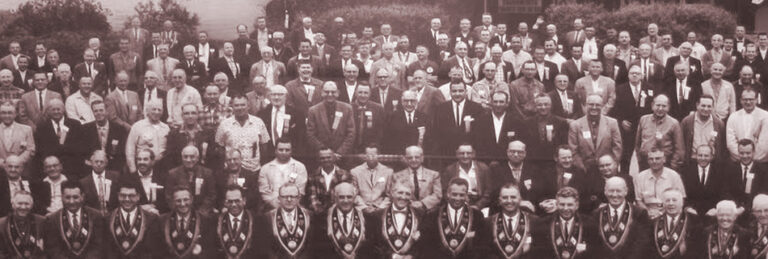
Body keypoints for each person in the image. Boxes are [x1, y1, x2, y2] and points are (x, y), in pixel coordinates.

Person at [419, 177, 484, 258]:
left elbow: (481, 247)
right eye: (454, 194)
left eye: (461, 195)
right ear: (448, 194)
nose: (457, 198)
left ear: (467, 195)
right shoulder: (433, 215)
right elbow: (426, 246)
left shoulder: (477, 215)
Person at [44, 180, 106, 258]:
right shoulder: (52, 219)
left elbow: (98, 246)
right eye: (67, 197)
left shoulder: (96, 216)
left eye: (75, 197)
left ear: (82, 196)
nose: (71, 201)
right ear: (62, 197)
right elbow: (54, 249)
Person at [591, 176, 650, 259]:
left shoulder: (639, 213)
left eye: (618, 191)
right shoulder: (596, 214)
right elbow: (594, 244)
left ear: (626, 191)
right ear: (605, 192)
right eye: (611, 191)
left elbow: (642, 244)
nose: (615, 195)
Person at [533, 187, 598, 258]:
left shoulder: (589, 224)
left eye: (570, 205)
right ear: (557, 205)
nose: (565, 208)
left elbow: (594, 254)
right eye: (562, 204)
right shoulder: (543, 224)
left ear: (577, 205)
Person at [104, 179, 161, 258]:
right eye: (123, 195)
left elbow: (151, 251)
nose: (127, 199)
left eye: (131, 196)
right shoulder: (108, 219)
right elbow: (108, 251)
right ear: (118, 196)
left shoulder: (150, 219)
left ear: (138, 196)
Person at [158, 186, 218, 258]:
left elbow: (210, 250)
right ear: (173, 201)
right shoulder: (162, 221)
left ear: (191, 199)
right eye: (178, 201)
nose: (182, 204)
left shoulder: (204, 221)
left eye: (186, 200)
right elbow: (158, 250)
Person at [369, 179, 424, 258]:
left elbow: (424, 244)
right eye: (400, 193)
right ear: (392, 193)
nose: (403, 197)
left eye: (407, 194)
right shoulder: (377, 215)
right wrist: (393, 256)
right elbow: (375, 244)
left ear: (411, 196)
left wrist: (411, 256)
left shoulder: (420, 214)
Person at [479, 183, 535, 258]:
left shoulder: (533, 221)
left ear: (520, 199)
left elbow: (539, 252)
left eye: (513, 197)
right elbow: (483, 252)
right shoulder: (488, 223)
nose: (509, 201)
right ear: (500, 200)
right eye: (505, 197)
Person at [568, 94, 622, 171]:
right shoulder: (575, 125)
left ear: (602, 106)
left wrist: (611, 165)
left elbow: (617, 147)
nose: (594, 107)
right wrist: (582, 167)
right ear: (586, 105)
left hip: (606, 168)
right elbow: (573, 150)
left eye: (597, 105)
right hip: (584, 169)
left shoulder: (612, 123)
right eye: (591, 104)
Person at [432, 81, 484, 158]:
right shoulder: (441, 109)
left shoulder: (476, 108)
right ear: (450, 92)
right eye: (454, 91)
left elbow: (480, 134)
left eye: (460, 91)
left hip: (469, 153)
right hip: (447, 154)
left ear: (466, 92)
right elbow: (437, 133)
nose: (457, 94)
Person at [321, 182, 373, 258]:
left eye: (349, 197)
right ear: (335, 198)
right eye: (341, 197)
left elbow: (370, 250)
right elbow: (320, 250)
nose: (346, 201)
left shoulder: (366, 219)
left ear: (354, 198)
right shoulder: (323, 219)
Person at [488, 141, 542, 214]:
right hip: (502, 211)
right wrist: (519, 203)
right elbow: (494, 196)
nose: (516, 155)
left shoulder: (534, 170)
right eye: (512, 151)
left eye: (520, 152)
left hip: (529, 212)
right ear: (507, 152)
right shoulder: (496, 170)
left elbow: (537, 193)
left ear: (525, 154)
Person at [262, 183, 313, 258]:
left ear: (299, 198)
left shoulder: (310, 216)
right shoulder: (268, 217)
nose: (289, 199)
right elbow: (267, 248)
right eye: (285, 197)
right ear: (279, 198)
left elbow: (311, 247)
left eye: (292, 196)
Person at [634, 94, 685, 170]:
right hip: (645, 163)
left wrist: (672, 166)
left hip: (665, 164)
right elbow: (637, 143)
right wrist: (639, 159)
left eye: (664, 106)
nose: (660, 108)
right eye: (658, 105)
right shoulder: (643, 119)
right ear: (652, 105)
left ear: (668, 107)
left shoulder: (674, 123)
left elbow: (679, 149)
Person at [648, 188, 702, 258]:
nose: (671, 203)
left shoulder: (694, 221)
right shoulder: (654, 223)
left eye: (674, 200)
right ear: (663, 204)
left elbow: (698, 249)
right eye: (667, 200)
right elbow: (650, 250)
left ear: (682, 202)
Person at [306, 81, 356, 156]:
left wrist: (340, 152)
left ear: (338, 93)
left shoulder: (347, 109)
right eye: (327, 92)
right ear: (321, 92)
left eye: (333, 92)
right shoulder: (313, 110)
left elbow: (351, 133)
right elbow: (310, 134)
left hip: (342, 155)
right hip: (322, 155)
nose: (330, 94)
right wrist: (325, 152)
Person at [34, 99, 82, 176]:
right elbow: (41, 149)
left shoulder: (74, 125)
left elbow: (78, 146)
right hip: (51, 168)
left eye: (58, 109)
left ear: (63, 110)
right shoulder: (42, 127)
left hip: (72, 167)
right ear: (49, 111)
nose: (56, 112)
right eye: (53, 109)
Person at [165, 146, 216, 216]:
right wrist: (180, 211)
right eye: (185, 157)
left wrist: (201, 212)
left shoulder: (207, 173)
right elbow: (169, 196)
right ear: (182, 158)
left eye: (192, 157)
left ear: (197, 158)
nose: (188, 160)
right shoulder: (173, 174)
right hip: (180, 211)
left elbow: (211, 195)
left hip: (202, 213)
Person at [80, 100, 128, 174]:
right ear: (92, 112)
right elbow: (83, 152)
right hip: (92, 168)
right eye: (95, 111)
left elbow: (122, 152)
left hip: (113, 168)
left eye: (101, 110)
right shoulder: (85, 129)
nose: (98, 113)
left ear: (106, 111)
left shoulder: (119, 129)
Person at [259, 138, 308, 210]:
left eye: (287, 150)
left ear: (291, 151)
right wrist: (278, 208)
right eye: (281, 150)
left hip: (294, 207)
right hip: (271, 209)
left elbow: (300, 191)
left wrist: (289, 205)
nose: (284, 152)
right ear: (275, 151)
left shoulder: (299, 167)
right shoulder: (265, 168)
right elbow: (265, 193)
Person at [388, 146, 442, 210]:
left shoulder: (434, 175)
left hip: (429, 212)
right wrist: (410, 203)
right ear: (406, 159)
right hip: (406, 210)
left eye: (417, 157)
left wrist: (422, 203)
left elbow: (438, 195)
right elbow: (393, 195)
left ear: (422, 158)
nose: (413, 160)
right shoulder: (397, 176)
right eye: (410, 158)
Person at [680, 145, 729, 216]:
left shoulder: (720, 172)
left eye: (706, 156)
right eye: (700, 155)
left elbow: (724, 194)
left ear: (712, 157)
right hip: (691, 213)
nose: (703, 158)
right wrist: (687, 208)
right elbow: (682, 194)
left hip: (713, 214)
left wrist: (717, 208)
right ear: (695, 156)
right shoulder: (686, 172)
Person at [305, 147, 356, 214]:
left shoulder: (345, 175)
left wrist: (335, 212)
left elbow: (351, 194)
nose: (326, 160)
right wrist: (320, 211)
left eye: (328, 157)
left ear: (334, 158)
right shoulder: (312, 176)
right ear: (318, 160)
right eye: (322, 158)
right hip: (319, 215)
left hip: (341, 212)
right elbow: (312, 197)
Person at [633, 148, 686, 213]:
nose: (654, 161)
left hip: (668, 212)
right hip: (647, 213)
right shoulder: (640, 177)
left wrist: (662, 213)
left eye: (657, 158)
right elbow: (638, 201)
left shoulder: (674, 176)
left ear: (664, 160)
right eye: (651, 159)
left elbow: (681, 198)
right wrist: (649, 212)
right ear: (648, 161)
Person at [523, 94, 570, 166]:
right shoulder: (527, 123)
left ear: (551, 105)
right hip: (533, 162)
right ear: (535, 106)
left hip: (553, 162)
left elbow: (563, 144)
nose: (543, 107)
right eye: (540, 105)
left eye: (546, 104)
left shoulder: (561, 122)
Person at [125, 100, 169, 173]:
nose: (156, 112)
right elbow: (130, 149)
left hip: (161, 168)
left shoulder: (166, 128)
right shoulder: (138, 126)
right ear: (147, 111)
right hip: (142, 167)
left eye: (159, 110)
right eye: (154, 109)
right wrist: (132, 169)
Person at [680, 95, 726, 164]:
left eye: (709, 106)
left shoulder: (719, 124)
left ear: (713, 107)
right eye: (703, 106)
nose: (706, 109)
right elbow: (681, 144)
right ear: (697, 105)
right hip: (692, 161)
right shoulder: (687, 122)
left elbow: (722, 146)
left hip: (712, 162)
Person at [442, 144, 491, 209]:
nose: (465, 156)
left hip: (479, 203)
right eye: (462, 153)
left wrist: (478, 206)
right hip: (458, 203)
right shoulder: (450, 170)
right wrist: (457, 204)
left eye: (468, 153)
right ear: (457, 155)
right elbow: (446, 191)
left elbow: (489, 191)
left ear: (473, 154)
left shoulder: (483, 168)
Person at [382, 90, 429, 155]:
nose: (409, 104)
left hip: (417, 157)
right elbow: (387, 140)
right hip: (398, 158)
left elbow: (428, 141)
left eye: (412, 101)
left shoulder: (424, 117)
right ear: (401, 102)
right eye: (406, 101)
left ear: (416, 102)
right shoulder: (392, 117)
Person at [726, 89, 768, 162]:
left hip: (760, 161)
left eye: (751, 99)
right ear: (740, 100)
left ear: (756, 100)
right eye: (745, 99)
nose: (748, 102)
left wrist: (752, 158)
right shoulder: (733, 117)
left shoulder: (765, 116)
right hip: (738, 161)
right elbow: (730, 143)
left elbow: (764, 144)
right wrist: (743, 157)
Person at [0, 191, 45, 258]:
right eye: (19, 203)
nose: (23, 207)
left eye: (27, 204)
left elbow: (49, 249)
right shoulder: (2, 224)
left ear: (32, 205)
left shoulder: (41, 221)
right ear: (12, 204)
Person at [216, 185, 257, 258]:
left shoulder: (257, 221)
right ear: (225, 203)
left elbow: (260, 252)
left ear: (244, 201)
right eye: (230, 201)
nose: (234, 205)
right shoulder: (216, 221)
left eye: (237, 200)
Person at [727, 139, 768, 208]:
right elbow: (726, 192)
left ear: (754, 152)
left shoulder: (763, 170)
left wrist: (745, 208)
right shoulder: (730, 169)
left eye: (748, 153)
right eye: (741, 153)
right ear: (738, 152)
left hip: (756, 208)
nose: (745, 156)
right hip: (735, 208)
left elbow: (764, 192)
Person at [350, 145, 393, 212]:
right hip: (361, 209)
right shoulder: (355, 171)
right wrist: (364, 207)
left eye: (373, 155)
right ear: (364, 156)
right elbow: (354, 193)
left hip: (381, 209)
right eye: (368, 155)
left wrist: (380, 208)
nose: (371, 158)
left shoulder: (388, 171)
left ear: (379, 155)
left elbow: (389, 195)